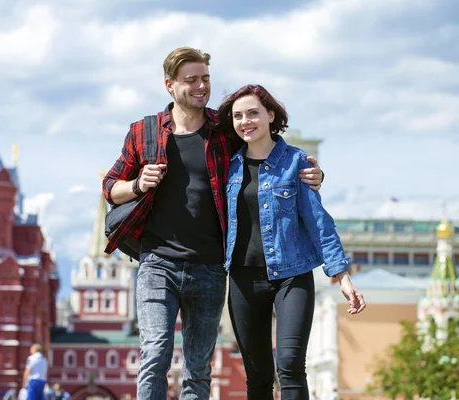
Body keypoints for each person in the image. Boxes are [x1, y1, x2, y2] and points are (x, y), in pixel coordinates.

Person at [103, 47, 323, 400]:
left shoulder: (223, 129)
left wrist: (308, 170)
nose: (201, 86)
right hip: (158, 262)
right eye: (191, 80)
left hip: (211, 266)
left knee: (198, 367)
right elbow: (110, 188)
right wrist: (138, 184)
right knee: (155, 354)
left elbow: (266, 147)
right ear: (169, 85)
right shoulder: (143, 132)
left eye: (205, 78)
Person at [216, 84, 366, 400]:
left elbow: (318, 222)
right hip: (243, 279)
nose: (246, 121)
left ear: (271, 115)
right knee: (256, 375)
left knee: (290, 365)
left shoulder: (296, 162)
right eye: (238, 116)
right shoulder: (226, 166)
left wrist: (342, 276)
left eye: (253, 113)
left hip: (292, 276)